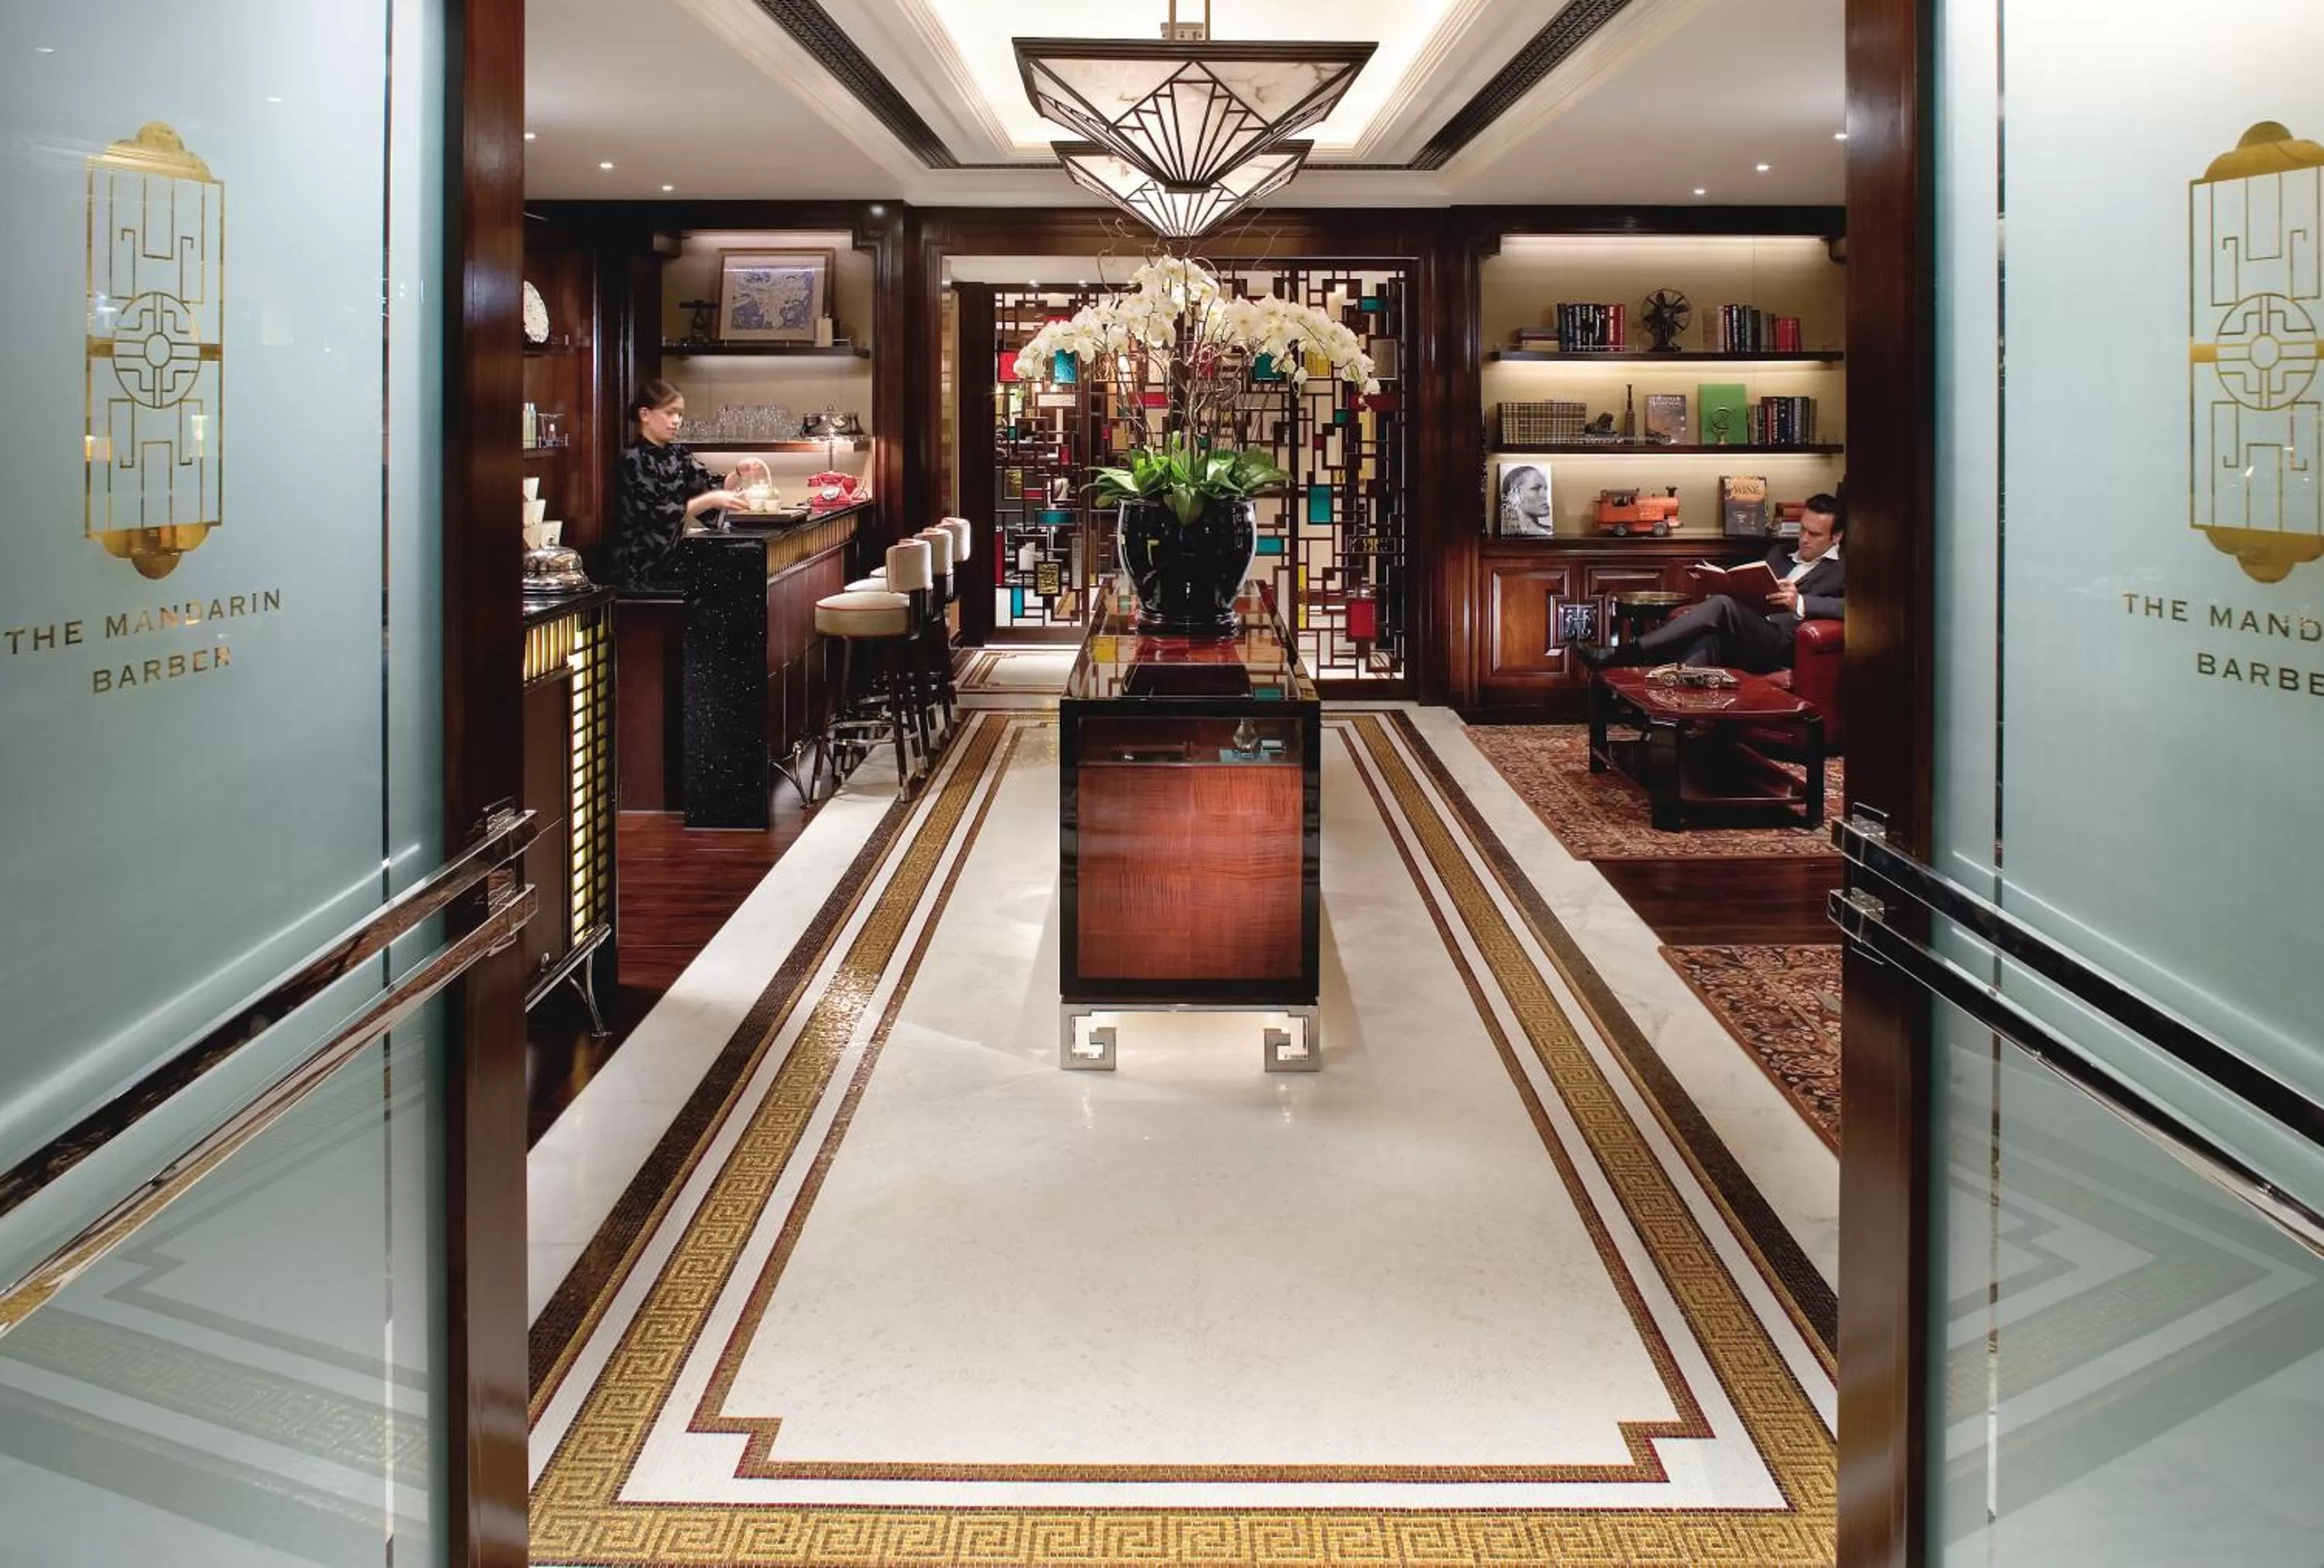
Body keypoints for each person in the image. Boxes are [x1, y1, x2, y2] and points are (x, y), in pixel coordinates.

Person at [1578, 494, 1844, 672]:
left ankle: (1625, 655)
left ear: (1837, 537)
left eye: (1814, 534)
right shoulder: (1779, 553)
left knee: (1721, 605)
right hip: (1745, 634)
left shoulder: (1844, 568)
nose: (1804, 539)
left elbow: (1853, 610)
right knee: (1707, 639)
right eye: (1802, 529)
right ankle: (1672, 724)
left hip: (1782, 645)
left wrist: (1800, 602)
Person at [610, 379, 746, 587]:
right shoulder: (632, 459)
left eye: (680, 414)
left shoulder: (678, 454)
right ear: (645, 414)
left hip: (671, 564)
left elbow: (707, 486)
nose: (677, 421)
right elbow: (655, 516)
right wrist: (710, 500)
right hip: (638, 569)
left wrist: (739, 472)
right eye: (670, 413)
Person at [1497, 464, 1555, 536]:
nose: (1545, 495)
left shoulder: (1548, 531)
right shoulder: (1509, 531)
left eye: (1545, 489)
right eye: (1535, 489)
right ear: (1512, 495)